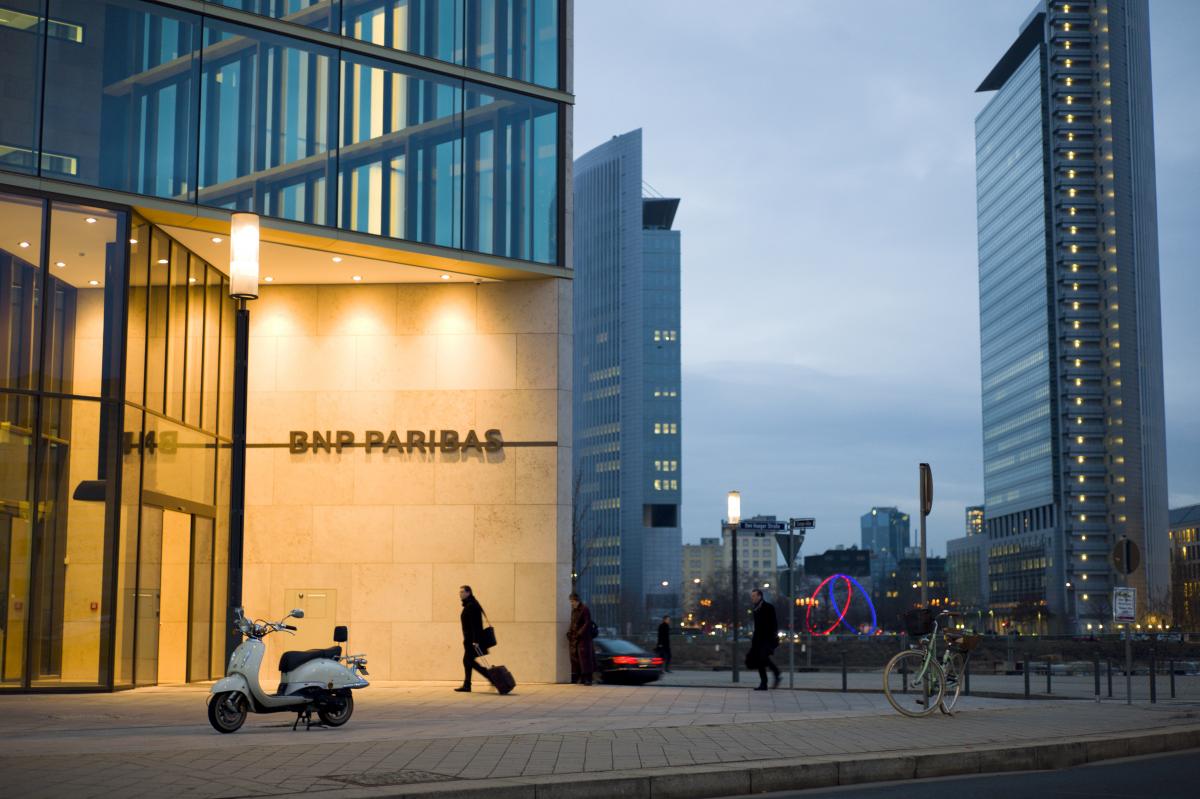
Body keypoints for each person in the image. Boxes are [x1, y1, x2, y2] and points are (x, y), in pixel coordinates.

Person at [456, 585, 492, 693]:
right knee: (468, 661)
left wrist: (475, 641)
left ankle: (489, 676)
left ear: (469, 592)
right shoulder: (471, 604)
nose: (460, 594)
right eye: (460, 592)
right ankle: (467, 685)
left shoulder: (471, 606)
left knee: (467, 661)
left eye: (462, 592)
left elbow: (476, 625)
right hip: (470, 639)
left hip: (472, 640)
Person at [747, 589, 780, 691]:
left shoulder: (768, 607)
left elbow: (774, 624)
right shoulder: (756, 609)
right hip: (758, 639)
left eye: (754, 596)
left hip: (767, 639)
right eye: (751, 596)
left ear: (760, 596)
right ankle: (775, 675)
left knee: (762, 660)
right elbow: (757, 627)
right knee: (762, 660)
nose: (752, 598)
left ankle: (765, 682)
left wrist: (772, 638)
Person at [567, 593, 596, 685]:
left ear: (576, 600)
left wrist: (580, 633)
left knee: (585, 658)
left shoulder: (584, 609)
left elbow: (587, 622)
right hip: (576, 638)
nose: (571, 603)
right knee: (577, 658)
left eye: (572, 601)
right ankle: (582, 678)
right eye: (571, 601)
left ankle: (588, 679)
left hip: (584, 638)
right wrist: (570, 632)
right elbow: (573, 623)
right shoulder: (574, 611)